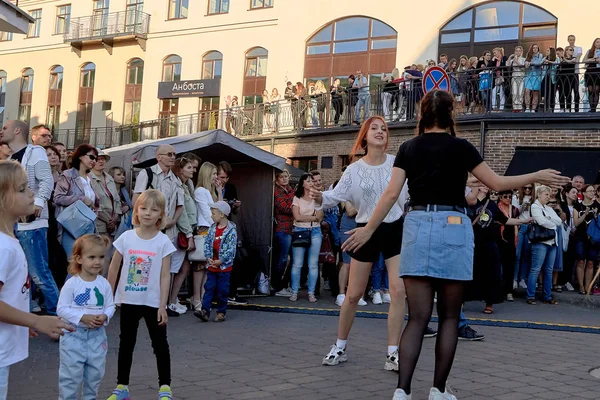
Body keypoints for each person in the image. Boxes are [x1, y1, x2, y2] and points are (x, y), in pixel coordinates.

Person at [340, 90, 569, 400]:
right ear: (450, 115)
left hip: (418, 225)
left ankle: (402, 391)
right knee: (449, 316)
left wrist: (368, 228)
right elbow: (498, 184)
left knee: (417, 318)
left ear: (422, 114)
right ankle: (437, 390)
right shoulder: (462, 147)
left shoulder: (408, 148)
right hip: (454, 226)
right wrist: (536, 175)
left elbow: (392, 194)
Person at [313, 116, 407, 372]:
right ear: (364, 136)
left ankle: (393, 353)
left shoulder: (398, 164)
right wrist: (319, 195)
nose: (379, 132)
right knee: (353, 295)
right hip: (364, 230)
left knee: (398, 291)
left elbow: (410, 194)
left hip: (393, 228)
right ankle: (340, 346)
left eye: (384, 129)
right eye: (374, 128)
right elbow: (334, 197)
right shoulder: (353, 169)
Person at [0, 161, 73, 400]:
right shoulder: (3, 247)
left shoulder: (10, 240)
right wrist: (36, 320)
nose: (32, 193)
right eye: (22, 189)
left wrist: (22, 322)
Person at [107, 190, 175, 400]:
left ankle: (165, 386)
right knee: (126, 343)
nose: (147, 213)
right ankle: (122, 386)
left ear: (161, 215)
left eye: (154, 210)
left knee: (160, 344)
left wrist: (163, 305)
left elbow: (165, 276)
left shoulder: (163, 242)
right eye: (143, 208)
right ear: (136, 211)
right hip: (129, 300)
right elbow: (113, 268)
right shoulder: (126, 238)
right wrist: (109, 297)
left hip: (153, 303)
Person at [2, 120, 58, 315]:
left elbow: (46, 180)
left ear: (17, 131)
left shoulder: (35, 152)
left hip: (32, 224)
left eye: (5, 128)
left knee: (39, 273)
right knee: (21, 273)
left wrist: (38, 204)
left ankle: (58, 315)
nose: (2, 131)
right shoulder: (10, 160)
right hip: (15, 223)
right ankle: (25, 313)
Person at [57, 234, 115, 400]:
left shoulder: (103, 284)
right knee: (70, 378)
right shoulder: (72, 284)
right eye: (91, 257)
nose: (97, 262)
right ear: (79, 259)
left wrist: (105, 316)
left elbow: (110, 306)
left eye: (101, 257)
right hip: (73, 336)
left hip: (97, 338)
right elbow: (61, 308)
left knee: (94, 376)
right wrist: (82, 317)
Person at [132, 144, 184, 281]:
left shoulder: (175, 179)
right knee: (144, 266)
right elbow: (136, 200)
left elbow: (180, 205)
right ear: (158, 157)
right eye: (169, 154)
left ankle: (163, 301)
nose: (173, 157)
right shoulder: (147, 173)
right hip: (147, 229)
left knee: (165, 269)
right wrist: (144, 221)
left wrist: (173, 221)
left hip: (167, 231)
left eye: (174, 154)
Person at [54, 144, 99, 261]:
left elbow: (95, 201)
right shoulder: (68, 175)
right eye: (91, 157)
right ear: (80, 156)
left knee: (85, 263)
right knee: (74, 263)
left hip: (89, 224)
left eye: (96, 158)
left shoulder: (91, 178)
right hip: (71, 225)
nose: (94, 161)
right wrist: (81, 198)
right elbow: (57, 197)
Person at [194, 201, 237, 322]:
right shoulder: (212, 228)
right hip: (212, 265)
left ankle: (221, 312)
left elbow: (231, 248)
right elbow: (207, 243)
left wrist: (221, 260)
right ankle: (205, 310)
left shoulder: (231, 231)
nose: (211, 215)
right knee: (209, 287)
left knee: (222, 289)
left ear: (222, 214)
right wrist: (208, 257)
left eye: (213, 213)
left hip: (224, 267)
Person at [167, 157, 198, 316]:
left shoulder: (185, 186)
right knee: (175, 267)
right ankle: (169, 302)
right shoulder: (178, 187)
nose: (192, 169)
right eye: (189, 167)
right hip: (181, 232)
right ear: (180, 169)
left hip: (186, 229)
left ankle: (173, 299)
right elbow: (182, 213)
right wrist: (189, 234)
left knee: (183, 267)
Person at [192, 162, 222, 310]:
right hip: (205, 228)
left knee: (207, 265)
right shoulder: (201, 191)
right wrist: (217, 225)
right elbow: (206, 211)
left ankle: (203, 298)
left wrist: (219, 191)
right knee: (200, 266)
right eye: (214, 173)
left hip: (211, 228)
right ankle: (197, 298)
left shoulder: (210, 192)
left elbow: (221, 209)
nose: (216, 177)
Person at [526, 186, 562, 305]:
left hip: (552, 241)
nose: (548, 197)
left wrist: (549, 218)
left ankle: (547, 296)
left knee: (549, 270)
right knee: (536, 269)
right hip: (540, 242)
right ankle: (530, 295)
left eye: (549, 194)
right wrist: (551, 223)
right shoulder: (534, 206)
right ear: (539, 194)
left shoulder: (548, 208)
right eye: (546, 194)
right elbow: (541, 221)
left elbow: (559, 221)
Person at [290, 174, 323, 303]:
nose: (311, 183)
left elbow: (320, 217)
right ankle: (294, 291)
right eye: (308, 181)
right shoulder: (297, 198)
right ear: (302, 183)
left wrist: (312, 218)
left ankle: (311, 292)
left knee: (313, 264)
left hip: (315, 230)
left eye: (312, 181)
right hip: (300, 230)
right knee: (297, 264)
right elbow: (297, 217)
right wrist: (313, 217)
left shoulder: (317, 197)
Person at [573, 184, 600, 294]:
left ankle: (588, 286)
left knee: (590, 263)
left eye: (593, 191)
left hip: (593, 237)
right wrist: (585, 214)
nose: (592, 193)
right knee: (580, 261)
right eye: (589, 191)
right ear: (583, 193)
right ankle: (581, 286)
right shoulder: (577, 206)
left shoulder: (598, 205)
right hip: (580, 236)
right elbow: (576, 223)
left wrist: (596, 215)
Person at [273, 170, 294, 297]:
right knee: (282, 259)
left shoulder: (288, 190)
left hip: (291, 228)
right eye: (282, 177)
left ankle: (284, 285)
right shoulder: (277, 191)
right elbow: (286, 208)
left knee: (290, 259)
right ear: (277, 179)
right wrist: (293, 194)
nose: (285, 179)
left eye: (286, 176)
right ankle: (277, 286)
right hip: (282, 229)